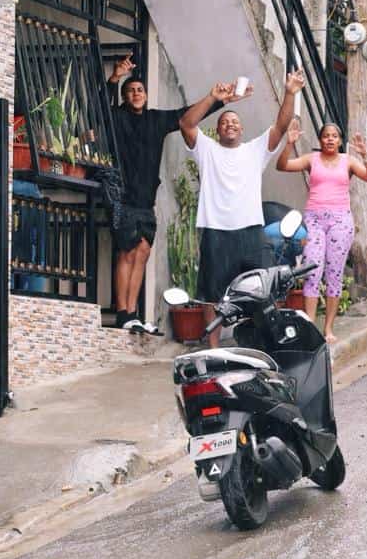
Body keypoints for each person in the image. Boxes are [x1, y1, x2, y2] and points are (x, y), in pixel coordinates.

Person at [179, 70, 304, 347]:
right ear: (218, 129)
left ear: (242, 129)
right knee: (212, 297)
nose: (230, 124)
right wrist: (214, 98)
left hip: (250, 231)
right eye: (225, 122)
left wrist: (290, 93)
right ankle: (213, 351)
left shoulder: (255, 150)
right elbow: (186, 124)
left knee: (262, 292)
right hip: (216, 231)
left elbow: (280, 127)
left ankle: (265, 346)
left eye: (235, 121)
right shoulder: (206, 149)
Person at [106, 56, 221, 332]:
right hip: (122, 195)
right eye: (131, 91)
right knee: (126, 252)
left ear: (146, 95)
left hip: (146, 198)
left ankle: (132, 312)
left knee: (143, 251)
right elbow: (99, 108)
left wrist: (217, 100)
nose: (136, 94)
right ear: (124, 96)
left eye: (140, 90)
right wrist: (115, 78)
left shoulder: (156, 119)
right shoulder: (117, 118)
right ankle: (122, 313)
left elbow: (185, 116)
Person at [275, 120, 367, 343]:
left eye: (334, 136)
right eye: (326, 136)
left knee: (334, 274)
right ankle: (310, 326)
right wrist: (288, 143)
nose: (330, 139)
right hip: (314, 219)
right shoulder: (311, 159)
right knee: (312, 269)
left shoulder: (348, 161)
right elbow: (281, 166)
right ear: (320, 140)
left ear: (340, 141)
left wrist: (365, 156)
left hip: (340, 221)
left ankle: (328, 329)